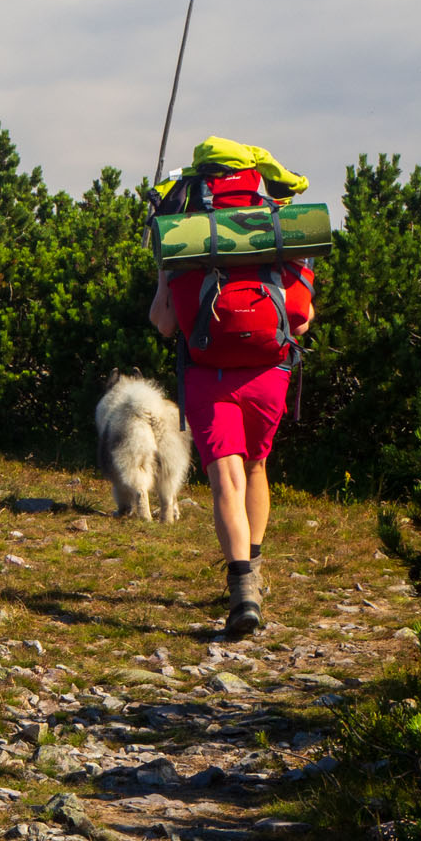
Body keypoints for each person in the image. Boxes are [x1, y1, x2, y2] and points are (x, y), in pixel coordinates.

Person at [148, 245, 313, 638]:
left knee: (226, 475)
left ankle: (242, 594)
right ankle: (251, 576)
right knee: (256, 465)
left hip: (209, 376)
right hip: (268, 375)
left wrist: (164, 277)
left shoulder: (184, 241)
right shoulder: (277, 236)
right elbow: (302, 321)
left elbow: (165, 322)